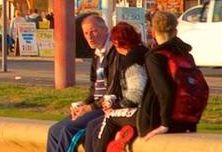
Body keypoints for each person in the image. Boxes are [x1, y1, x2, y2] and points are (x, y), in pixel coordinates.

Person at [46, 14, 111, 152]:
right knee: (54, 131)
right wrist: (84, 104)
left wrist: (89, 108)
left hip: (107, 108)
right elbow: (94, 88)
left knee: (68, 131)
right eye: (86, 33)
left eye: (93, 31)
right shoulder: (97, 54)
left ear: (105, 29)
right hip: (95, 105)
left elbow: (112, 92)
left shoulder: (114, 52)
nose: (90, 37)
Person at [140, 11, 199, 139]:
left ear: (153, 32)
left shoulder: (155, 57)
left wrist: (165, 123)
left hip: (160, 119)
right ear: (175, 31)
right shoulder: (186, 54)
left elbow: (164, 91)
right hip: (186, 117)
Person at [95, 23, 151, 150]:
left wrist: (115, 105)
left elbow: (136, 95)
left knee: (110, 117)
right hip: (151, 110)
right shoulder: (146, 52)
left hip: (143, 112)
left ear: (117, 42)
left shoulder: (132, 60)